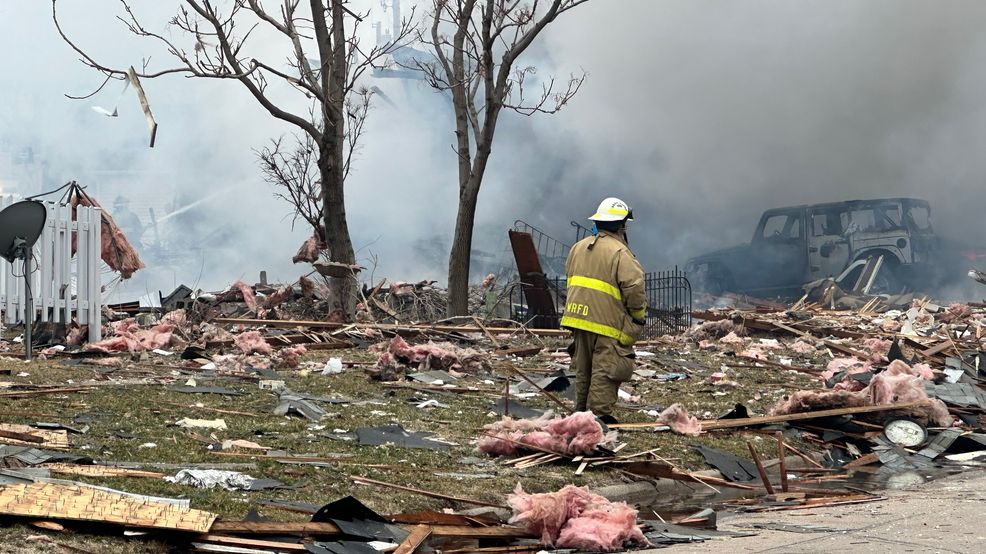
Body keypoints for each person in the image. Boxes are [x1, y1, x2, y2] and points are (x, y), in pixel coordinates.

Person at [561, 197, 646, 424]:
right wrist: (636, 320)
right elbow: (634, 290)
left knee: (583, 369)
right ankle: (597, 419)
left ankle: (580, 412)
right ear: (621, 225)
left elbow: (570, 280)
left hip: (578, 319)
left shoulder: (577, 248)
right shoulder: (620, 253)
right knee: (605, 371)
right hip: (607, 323)